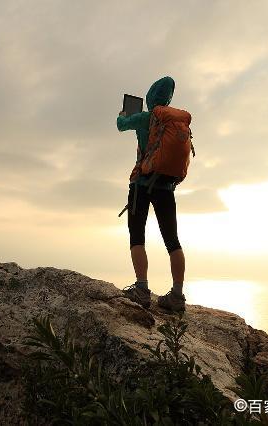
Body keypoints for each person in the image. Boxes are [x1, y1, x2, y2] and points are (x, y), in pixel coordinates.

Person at [116, 76, 186, 312]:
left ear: (150, 96)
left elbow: (120, 124)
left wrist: (124, 114)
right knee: (172, 241)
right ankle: (177, 295)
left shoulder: (146, 117)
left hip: (141, 184)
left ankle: (142, 289)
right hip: (166, 187)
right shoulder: (172, 122)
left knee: (137, 236)